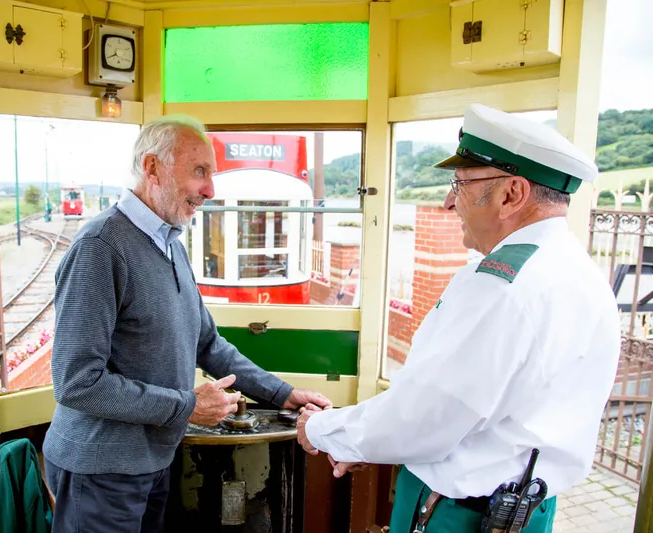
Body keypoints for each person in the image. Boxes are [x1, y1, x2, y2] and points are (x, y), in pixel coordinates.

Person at [296, 104, 621, 532]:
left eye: (461, 184)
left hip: (457, 514)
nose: (449, 202)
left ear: (512, 194)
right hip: (527, 509)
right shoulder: (577, 270)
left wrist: (322, 430)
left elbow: (427, 416)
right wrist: (369, 442)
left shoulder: (502, 289)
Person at [42, 115, 332, 533]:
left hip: (153, 460)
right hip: (101, 468)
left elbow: (208, 344)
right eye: (199, 171)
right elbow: (77, 383)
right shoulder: (100, 247)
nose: (210, 190)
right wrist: (187, 406)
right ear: (152, 168)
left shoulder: (171, 245)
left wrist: (281, 394)